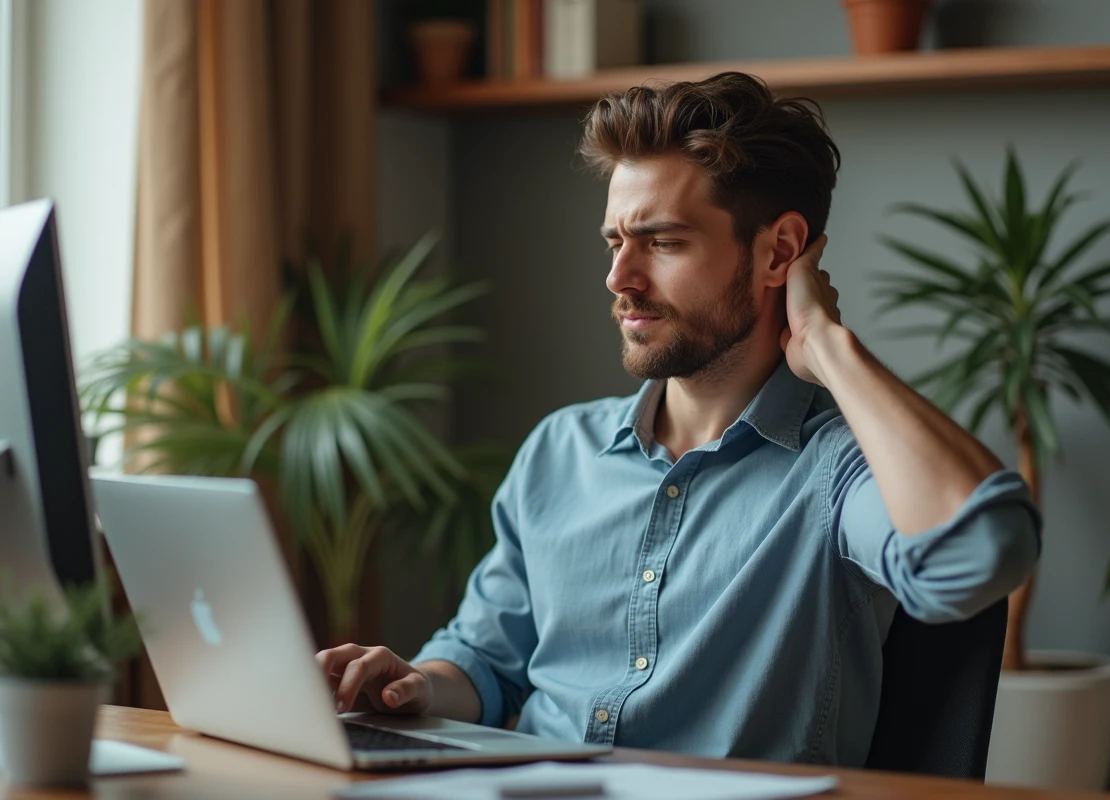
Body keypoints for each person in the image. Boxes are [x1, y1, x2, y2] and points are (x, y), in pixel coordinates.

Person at [317, 72, 1041, 766]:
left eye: (662, 242)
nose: (619, 278)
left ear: (779, 252)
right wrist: (409, 684)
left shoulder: (838, 469)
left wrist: (828, 346)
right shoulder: (559, 452)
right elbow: (486, 661)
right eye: (614, 242)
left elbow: (979, 552)